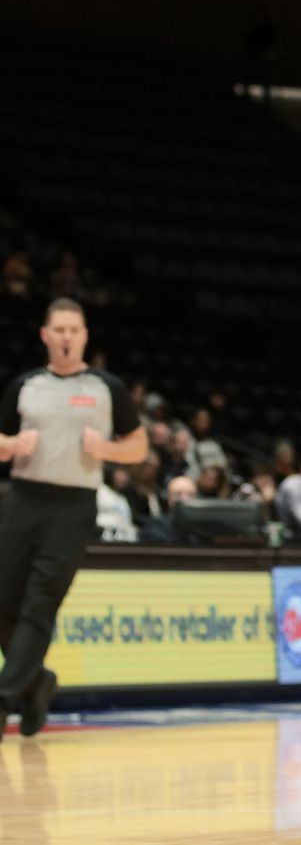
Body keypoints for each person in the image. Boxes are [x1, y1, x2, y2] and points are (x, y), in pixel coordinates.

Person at [0, 298, 147, 740]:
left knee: (41, 601)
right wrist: (11, 446)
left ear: (84, 336)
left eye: (74, 330)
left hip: (73, 505)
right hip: (23, 498)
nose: (66, 336)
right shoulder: (25, 385)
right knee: (5, 604)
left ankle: (5, 695)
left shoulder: (107, 388)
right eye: (58, 329)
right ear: (45, 335)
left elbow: (137, 446)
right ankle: (36, 683)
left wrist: (106, 451)